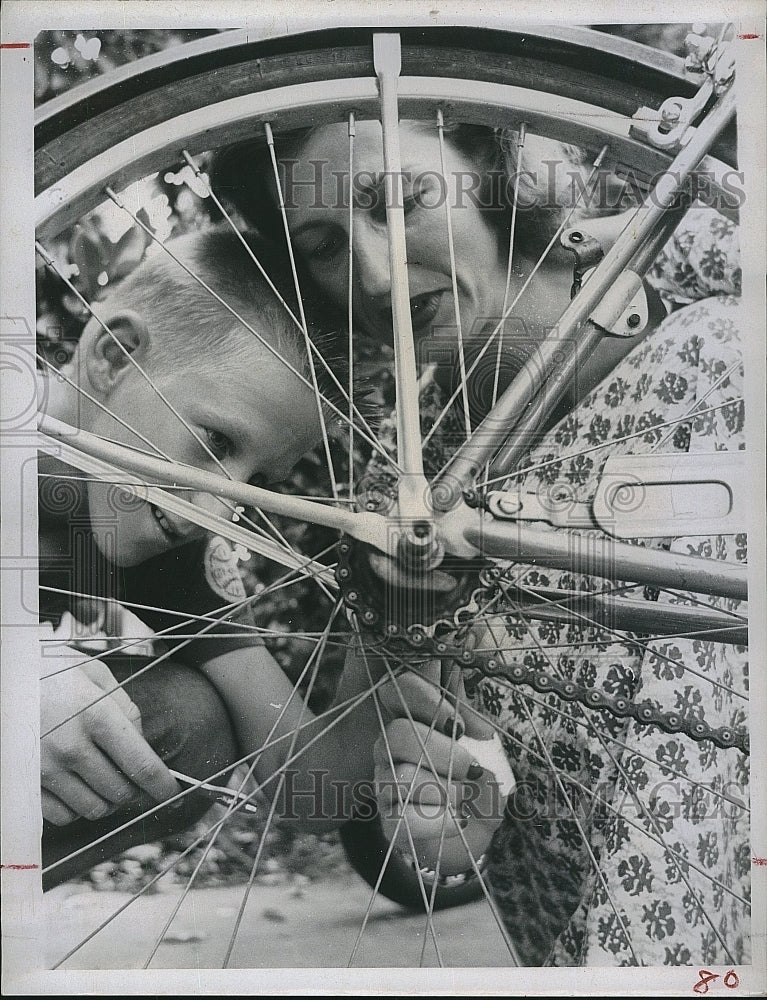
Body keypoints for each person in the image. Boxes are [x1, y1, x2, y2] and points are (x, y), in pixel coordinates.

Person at [213, 121, 749, 965]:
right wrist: (439, 812)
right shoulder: (419, 477)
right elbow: (398, 790)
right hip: (571, 935)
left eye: (404, 199)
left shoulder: (716, 352)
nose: (377, 276)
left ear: (492, 168)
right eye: (323, 244)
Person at [38, 227, 487, 890]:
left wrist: (398, 614)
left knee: (189, 723)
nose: (218, 510)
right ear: (113, 355)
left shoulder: (166, 532)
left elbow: (306, 787)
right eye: (215, 440)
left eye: (256, 483)